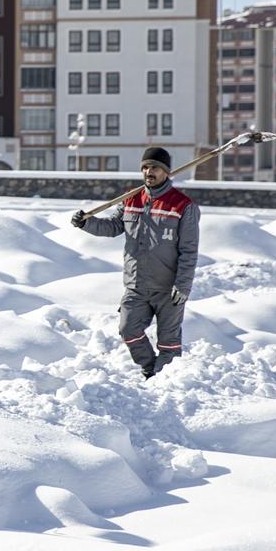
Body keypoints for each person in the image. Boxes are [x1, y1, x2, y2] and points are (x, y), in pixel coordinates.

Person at [72, 146, 200, 379]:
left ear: (166, 172)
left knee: (169, 344)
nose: (149, 171)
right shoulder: (131, 200)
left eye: (155, 168)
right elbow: (112, 227)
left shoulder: (183, 205)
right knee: (128, 329)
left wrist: (183, 285)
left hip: (168, 288)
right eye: (145, 167)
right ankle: (150, 368)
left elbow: (189, 251)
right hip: (136, 285)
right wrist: (86, 223)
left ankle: (166, 383)